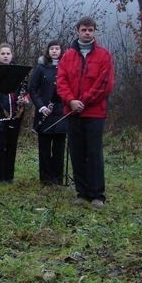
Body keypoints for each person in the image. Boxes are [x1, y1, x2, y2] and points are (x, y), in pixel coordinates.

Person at [56, 17, 115, 208]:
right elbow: (61, 81)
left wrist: (84, 101)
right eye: (84, 30)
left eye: (90, 30)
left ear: (94, 31)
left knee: (94, 153)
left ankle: (97, 194)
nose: (87, 33)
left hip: (95, 113)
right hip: (72, 113)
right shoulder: (67, 56)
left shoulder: (104, 55)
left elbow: (105, 84)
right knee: (77, 152)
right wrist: (71, 101)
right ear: (77, 31)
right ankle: (81, 193)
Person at [28, 40, 68, 185]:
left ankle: (57, 178)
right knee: (44, 147)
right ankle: (45, 179)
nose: (55, 51)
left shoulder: (66, 67)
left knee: (59, 148)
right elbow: (32, 89)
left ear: (61, 50)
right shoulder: (41, 68)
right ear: (48, 51)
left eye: (57, 49)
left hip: (61, 113)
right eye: (52, 49)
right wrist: (41, 106)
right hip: (44, 113)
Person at [0, 43, 29, 184]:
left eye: (8, 53)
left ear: (12, 55)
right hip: (0, 112)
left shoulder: (18, 72)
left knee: (12, 144)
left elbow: (26, 90)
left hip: (16, 112)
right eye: (3, 54)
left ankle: (9, 175)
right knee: (0, 143)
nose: (6, 56)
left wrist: (23, 99)